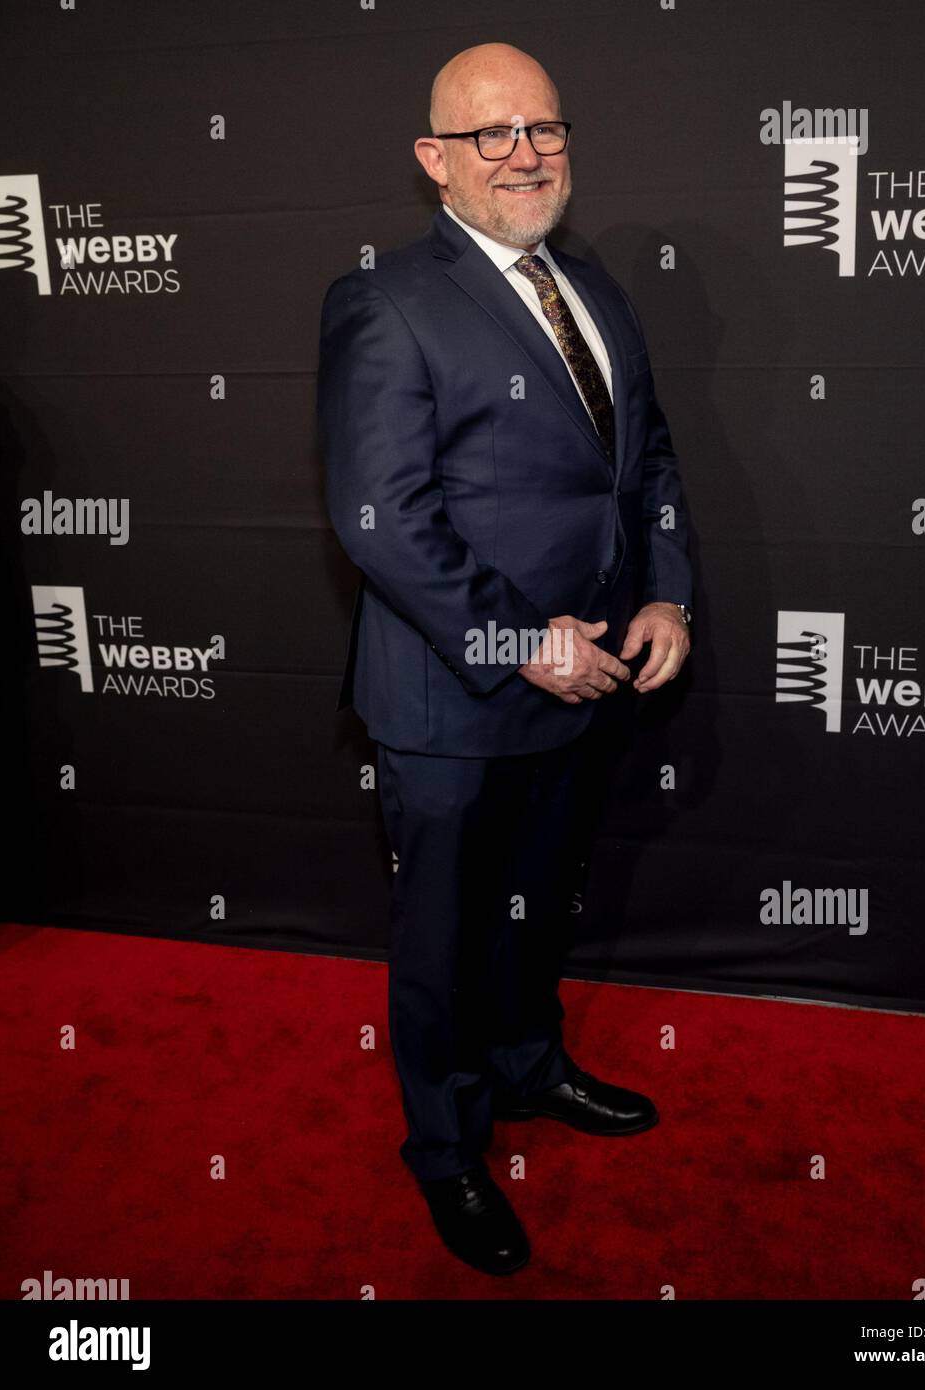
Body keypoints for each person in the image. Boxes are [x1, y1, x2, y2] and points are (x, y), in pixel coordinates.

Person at [317, 41, 693, 1276]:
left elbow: (642, 468)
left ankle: (528, 1068)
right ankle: (445, 1149)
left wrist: (665, 597)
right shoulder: (384, 300)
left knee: (535, 910)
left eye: (542, 128)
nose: (524, 152)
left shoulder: (595, 291)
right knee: (440, 935)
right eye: (490, 134)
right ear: (435, 160)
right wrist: (519, 640)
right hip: (451, 696)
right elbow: (381, 518)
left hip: (589, 682)